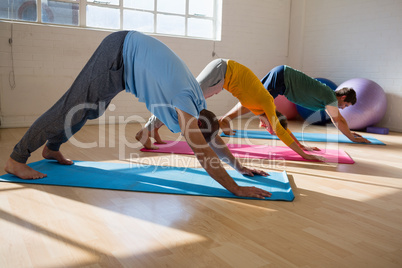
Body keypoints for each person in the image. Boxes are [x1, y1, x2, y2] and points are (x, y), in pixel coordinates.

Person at [4, 31, 271, 199]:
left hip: (125, 58)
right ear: (197, 121)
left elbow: (212, 141)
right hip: (118, 53)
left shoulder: (198, 101)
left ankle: (52, 149)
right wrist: (235, 188)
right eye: (195, 134)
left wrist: (239, 167)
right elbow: (203, 150)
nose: (191, 137)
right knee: (70, 107)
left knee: (90, 109)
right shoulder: (185, 101)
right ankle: (17, 159)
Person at [136, 59, 326, 160]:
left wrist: (303, 145)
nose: (266, 127)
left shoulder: (258, 107)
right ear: (270, 117)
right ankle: (146, 130)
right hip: (222, 71)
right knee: (183, 102)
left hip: (222, 78)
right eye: (268, 126)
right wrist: (303, 154)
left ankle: (153, 130)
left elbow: (283, 131)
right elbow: (281, 131)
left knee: (184, 102)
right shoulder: (267, 102)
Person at [220, 65, 371, 144]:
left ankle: (226, 119)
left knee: (252, 99)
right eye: (345, 104)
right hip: (283, 77)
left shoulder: (328, 95)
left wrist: (350, 134)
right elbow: (338, 120)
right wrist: (351, 137)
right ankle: (226, 119)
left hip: (283, 74)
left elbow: (337, 119)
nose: (343, 108)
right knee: (254, 100)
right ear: (343, 96)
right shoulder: (330, 97)